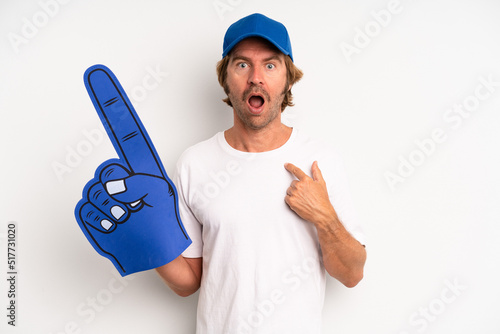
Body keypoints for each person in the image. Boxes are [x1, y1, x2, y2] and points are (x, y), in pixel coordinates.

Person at [155, 13, 367, 333]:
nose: (256, 77)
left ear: (288, 78)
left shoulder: (318, 160)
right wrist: (143, 238)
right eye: (242, 64)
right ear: (225, 77)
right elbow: (188, 283)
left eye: (270, 65)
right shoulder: (194, 164)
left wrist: (324, 216)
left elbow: (351, 274)